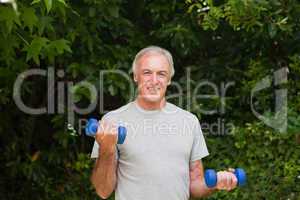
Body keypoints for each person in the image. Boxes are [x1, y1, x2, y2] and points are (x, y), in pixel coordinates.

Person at [90, 46, 237, 200]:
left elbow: (194, 187)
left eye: (161, 74)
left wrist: (215, 183)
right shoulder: (111, 122)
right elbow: (103, 190)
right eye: (147, 72)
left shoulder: (189, 121)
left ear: (169, 79)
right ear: (135, 76)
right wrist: (107, 149)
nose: (154, 81)